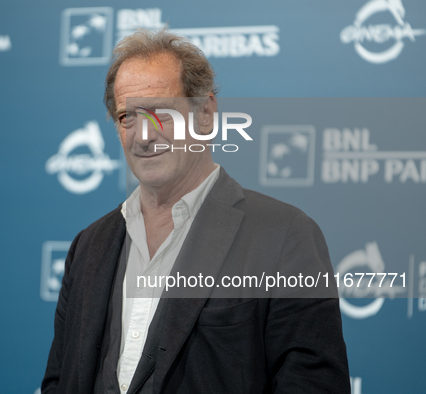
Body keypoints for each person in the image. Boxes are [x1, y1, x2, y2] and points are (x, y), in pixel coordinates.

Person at [42, 28, 350, 394]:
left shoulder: (284, 236)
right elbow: (60, 383)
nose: (144, 136)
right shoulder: (88, 247)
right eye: (128, 117)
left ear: (205, 114)